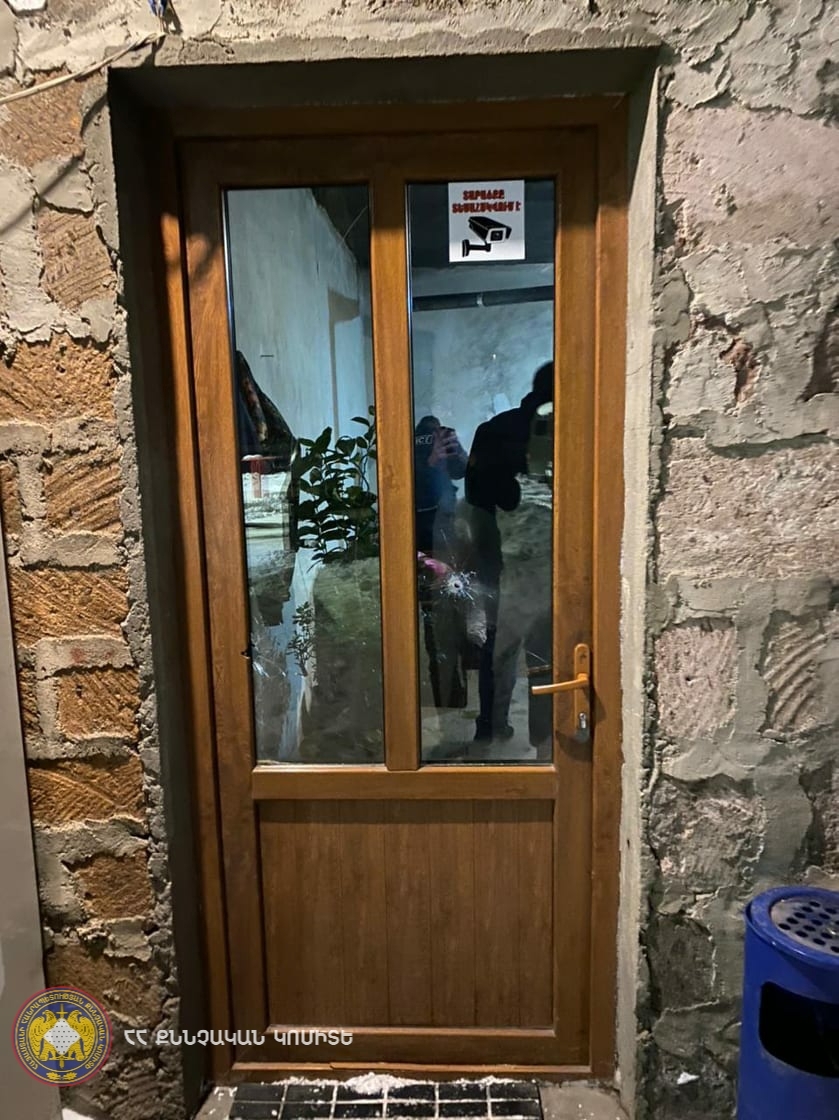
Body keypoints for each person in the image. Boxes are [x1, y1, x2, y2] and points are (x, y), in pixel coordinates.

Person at [465, 362, 553, 744]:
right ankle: (544, 739)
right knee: (543, 653)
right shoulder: (564, 428)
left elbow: (473, 497)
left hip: (497, 557)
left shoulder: (493, 430)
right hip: (548, 558)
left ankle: (491, 725)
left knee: (497, 647)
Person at [414, 416, 469, 708]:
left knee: (453, 611)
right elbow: (411, 489)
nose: (435, 437)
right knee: (438, 620)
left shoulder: (442, 441)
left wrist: (455, 450)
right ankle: (448, 694)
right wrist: (432, 460)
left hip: (446, 534)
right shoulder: (412, 450)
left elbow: (462, 471)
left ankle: (453, 689)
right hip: (428, 539)